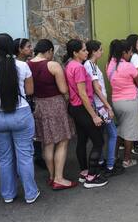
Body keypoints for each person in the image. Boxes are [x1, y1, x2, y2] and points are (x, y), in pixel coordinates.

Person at [0, 33, 40, 204]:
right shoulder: (23, 66)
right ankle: (30, 193)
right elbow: (29, 92)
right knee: (25, 155)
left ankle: (8, 194)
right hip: (21, 114)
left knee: (4, 158)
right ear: (11, 48)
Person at [27, 39, 77, 190]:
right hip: (55, 104)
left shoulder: (27, 65)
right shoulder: (53, 65)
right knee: (62, 140)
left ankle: (51, 176)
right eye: (51, 52)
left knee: (47, 142)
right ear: (48, 51)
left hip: (39, 105)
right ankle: (59, 178)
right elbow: (63, 89)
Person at [64, 39, 108, 189]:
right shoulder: (79, 68)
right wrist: (94, 115)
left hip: (75, 107)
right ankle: (92, 177)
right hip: (82, 108)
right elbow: (83, 94)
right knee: (98, 141)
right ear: (75, 53)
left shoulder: (70, 65)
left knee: (82, 140)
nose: (87, 52)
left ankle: (84, 172)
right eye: (83, 50)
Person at [84, 40, 124, 177]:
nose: (102, 52)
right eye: (100, 49)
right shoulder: (91, 65)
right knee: (112, 134)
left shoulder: (89, 65)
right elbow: (96, 88)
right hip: (100, 106)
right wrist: (108, 107)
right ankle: (111, 165)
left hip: (97, 105)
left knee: (100, 136)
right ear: (94, 52)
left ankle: (101, 162)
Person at [107, 39, 138, 168]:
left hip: (116, 101)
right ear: (124, 52)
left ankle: (114, 155)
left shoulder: (110, 65)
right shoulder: (128, 66)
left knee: (120, 128)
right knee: (129, 131)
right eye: (130, 52)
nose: (130, 55)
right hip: (130, 101)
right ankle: (127, 160)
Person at [14, 38, 45, 169]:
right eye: (28, 47)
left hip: (28, 102)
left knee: (35, 129)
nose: (31, 49)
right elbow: (29, 89)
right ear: (20, 50)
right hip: (22, 103)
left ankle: (37, 155)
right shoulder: (18, 65)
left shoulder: (28, 63)